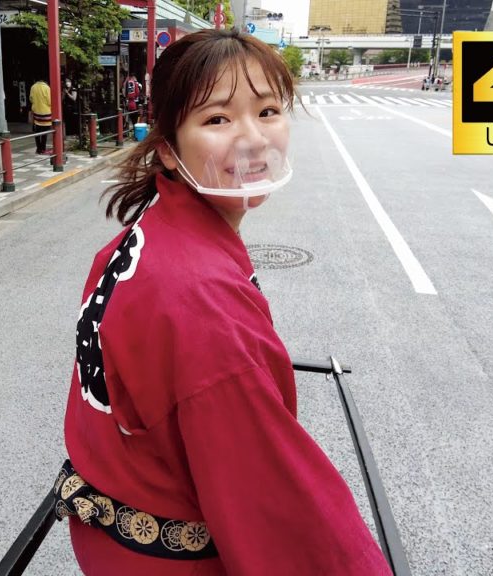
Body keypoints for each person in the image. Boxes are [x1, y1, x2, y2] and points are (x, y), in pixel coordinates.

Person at [56, 29, 391, 575]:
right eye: (217, 119)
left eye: (268, 110)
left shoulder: (141, 237)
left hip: (109, 529)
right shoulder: (203, 302)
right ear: (168, 147)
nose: (254, 140)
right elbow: (274, 499)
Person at [29, 79, 53, 154]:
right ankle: (43, 148)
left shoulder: (33, 87)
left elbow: (31, 99)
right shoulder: (47, 88)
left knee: (37, 131)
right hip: (46, 113)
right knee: (44, 132)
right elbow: (50, 101)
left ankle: (38, 148)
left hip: (36, 112)